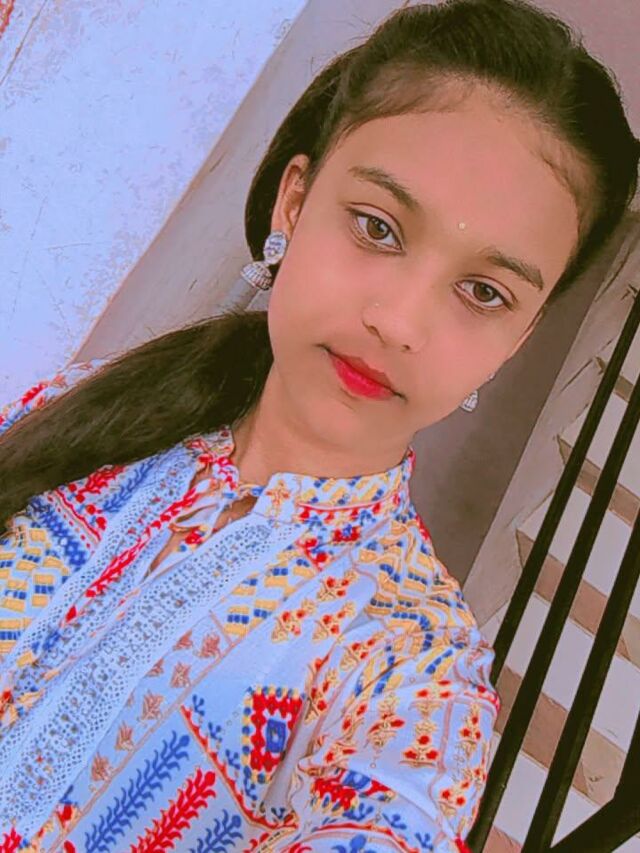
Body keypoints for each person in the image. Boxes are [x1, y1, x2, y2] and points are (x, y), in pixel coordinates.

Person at [0, 0, 638, 849]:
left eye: (484, 292)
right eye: (378, 227)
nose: (398, 322)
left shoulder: (414, 673)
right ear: (294, 205)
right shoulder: (84, 406)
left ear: (517, 338)